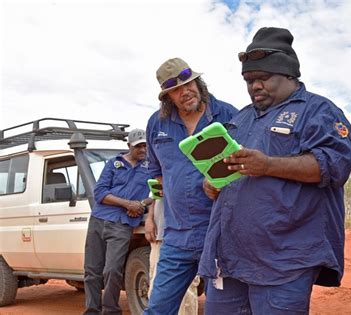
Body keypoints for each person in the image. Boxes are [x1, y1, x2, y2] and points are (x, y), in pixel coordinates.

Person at [198, 27, 351, 314]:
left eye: (263, 78)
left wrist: (268, 165)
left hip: (284, 260)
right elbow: (229, 170)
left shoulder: (318, 111)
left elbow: (335, 165)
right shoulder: (240, 119)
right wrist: (212, 183)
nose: (255, 86)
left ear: (289, 76)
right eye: (248, 80)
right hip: (229, 258)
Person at [144, 57, 238, 314]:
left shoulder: (229, 115)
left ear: (199, 82)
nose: (185, 91)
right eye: (175, 88)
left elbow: (248, 168)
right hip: (177, 236)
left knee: (223, 310)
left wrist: (222, 185)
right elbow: (156, 172)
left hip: (221, 233)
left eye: (189, 83)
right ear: (167, 96)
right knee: (158, 309)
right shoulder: (156, 124)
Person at [83, 128, 153, 315]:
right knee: (92, 272)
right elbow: (100, 193)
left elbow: (157, 193)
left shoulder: (151, 167)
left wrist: (140, 204)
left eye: (146, 145)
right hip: (99, 220)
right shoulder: (113, 164)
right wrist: (127, 204)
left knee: (112, 270)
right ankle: (92, 311)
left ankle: (111, 311)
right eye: (139, 146)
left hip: (122, 225)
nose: (143, 149)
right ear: (129, 146)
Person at [145, 194, 200, 314]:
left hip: (187, 235)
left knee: (186, 296)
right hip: (161, 233)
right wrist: (149, 218)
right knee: (157, 293)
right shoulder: (163, 176)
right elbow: (154, 195)